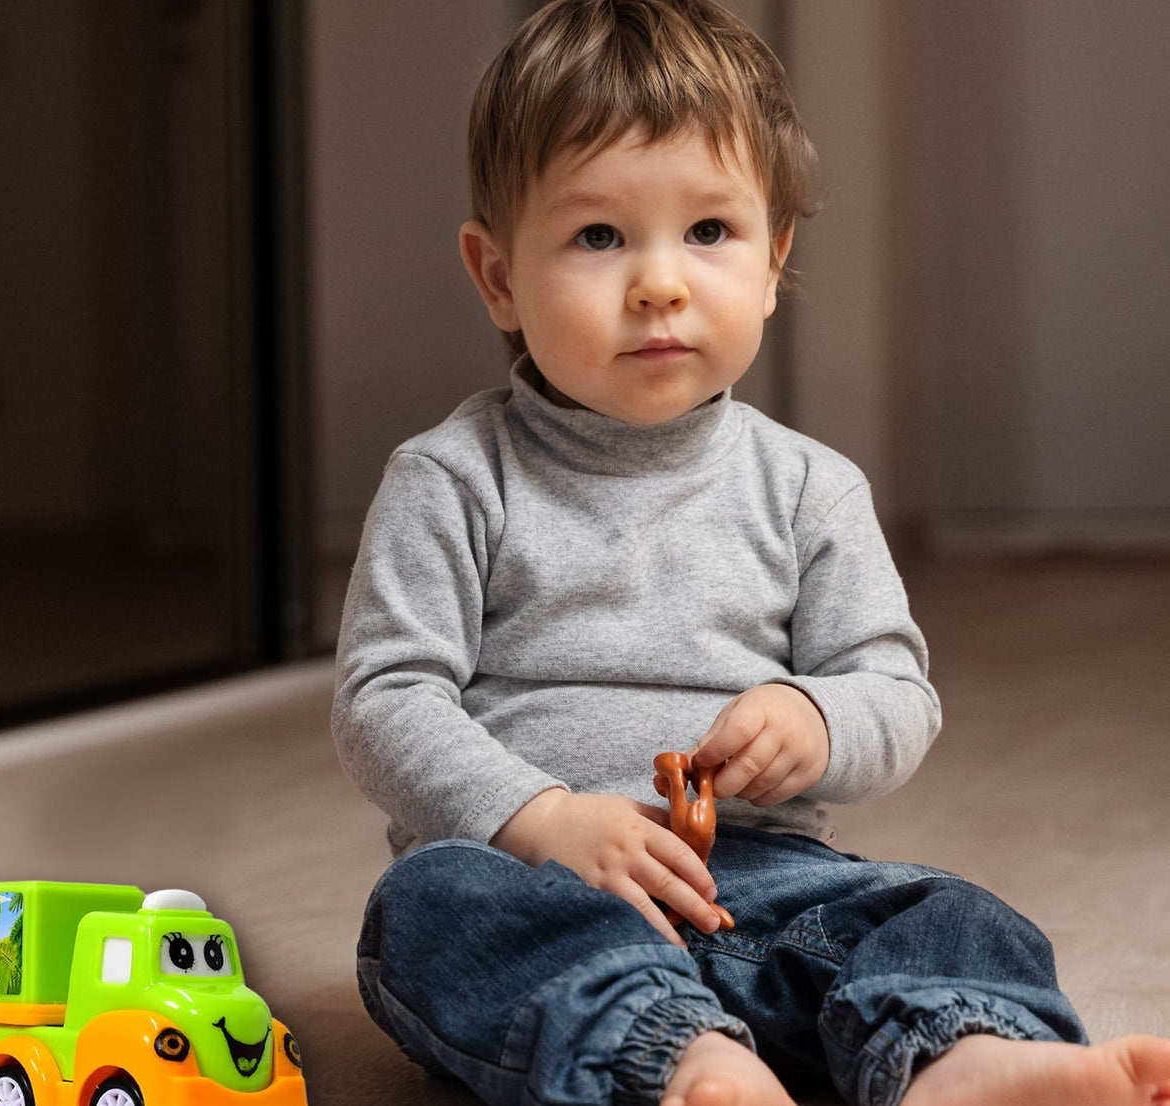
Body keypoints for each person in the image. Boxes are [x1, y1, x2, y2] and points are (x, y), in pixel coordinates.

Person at [331, 2, 1170, 1103]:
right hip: (539, 885)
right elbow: (385, 698)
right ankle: (687, 1061)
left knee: (943, 909)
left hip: (766, 883)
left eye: (709, 232)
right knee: (429, 910)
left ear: (774, 261)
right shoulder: (452, 477)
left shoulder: (810, 487)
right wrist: (540, 817)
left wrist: (817, 720)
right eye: (598, 236)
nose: (659, 282)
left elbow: (895, 693)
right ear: (496, 277)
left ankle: (959, 1058)